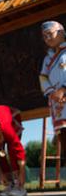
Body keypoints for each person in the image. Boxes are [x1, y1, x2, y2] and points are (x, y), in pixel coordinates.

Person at [39, 21, 66, 159]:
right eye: (45, 36)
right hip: (57, 104)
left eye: (50, 34)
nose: (47, 38)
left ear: (61, 33)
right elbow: (43, 77)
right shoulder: (47, 59)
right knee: (64, 136)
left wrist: (63, 89)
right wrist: (51, 92)